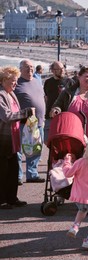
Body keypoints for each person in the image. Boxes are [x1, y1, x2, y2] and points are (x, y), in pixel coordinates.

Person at [0, 66, 35, 209]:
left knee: (13, 170)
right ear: (4, 80)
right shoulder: (1, 95)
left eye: (16, 81)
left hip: (14, 139)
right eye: (13, 81)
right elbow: (7, 116)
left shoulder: (11, 94)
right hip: (3, 140)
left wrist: (26, 119)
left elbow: (15, 115)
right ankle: (2, 201)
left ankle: (12, 198)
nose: (16, 84)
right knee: (3, 171)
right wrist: (26, 112)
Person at [50, 66, 88, 141]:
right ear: (79, 77)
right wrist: (56, 110)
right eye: (87, 76)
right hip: (72, 141)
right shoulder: (68, 93)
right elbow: (57, 105)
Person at [14, 59, 46, 184]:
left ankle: (32, 174)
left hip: (38, 123)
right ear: (20, 69)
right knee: (19, 151)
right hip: (22, 123)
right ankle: (17, 176)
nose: (30, 69)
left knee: (36, 149)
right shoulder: (16, 82)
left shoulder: (37, 81)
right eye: (27, 67)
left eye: (32, 67)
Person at [43, 61, 75, 142]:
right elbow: (46, 98)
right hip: (50, 117)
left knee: (63, 142)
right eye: (59, 69)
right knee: (48, 141)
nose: (62, 71)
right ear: (52, 70)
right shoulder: (48, 82)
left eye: (62, 68)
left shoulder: (70, 82)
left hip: (65, 117)